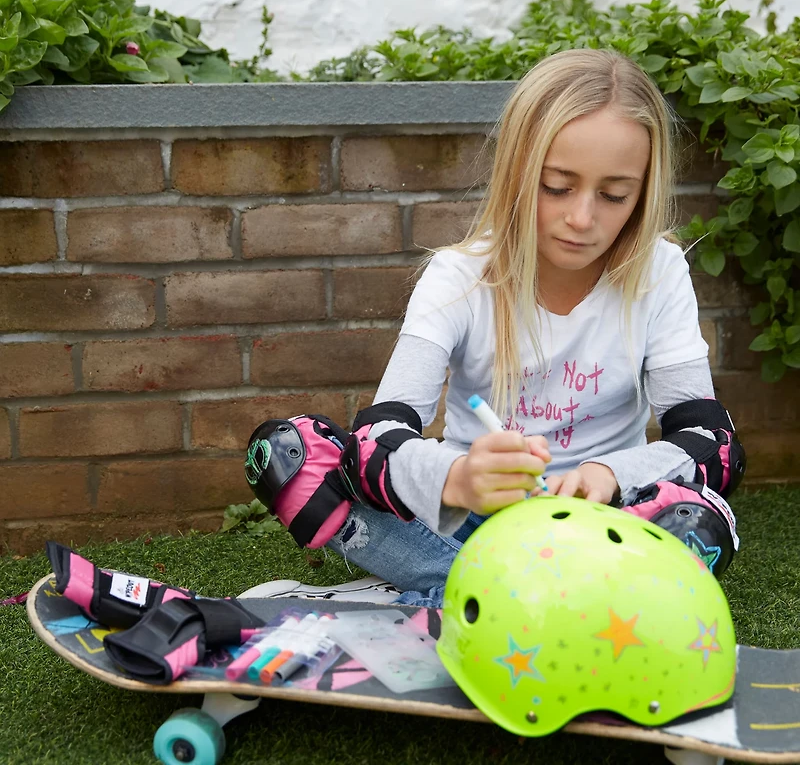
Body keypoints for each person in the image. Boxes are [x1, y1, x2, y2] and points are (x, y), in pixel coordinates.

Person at [246, 48, 744, 608]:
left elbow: (712, 443)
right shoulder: (458, 277)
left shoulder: (658, 272)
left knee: (699, 522)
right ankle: (534, 601)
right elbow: (373, 441)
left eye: (613, 195)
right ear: (517, 172)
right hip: (470, 523)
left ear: (644, 192)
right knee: (290, 455)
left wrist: (611, 473)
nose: (582, 218)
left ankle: (449, 592)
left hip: (600, 528)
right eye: (557, 186)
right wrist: (458, 478)